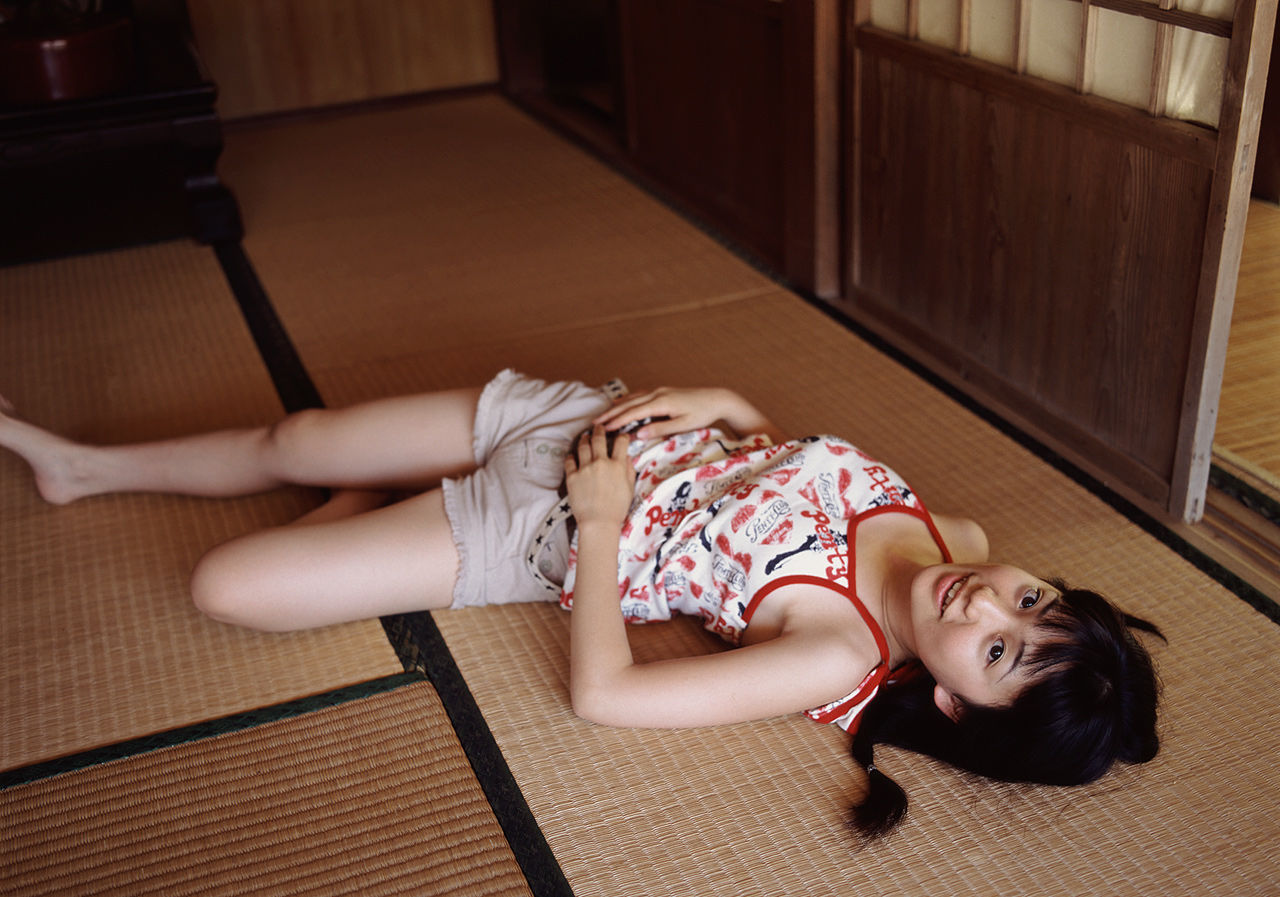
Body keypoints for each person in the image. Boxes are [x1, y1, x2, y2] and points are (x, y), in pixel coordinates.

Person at [0, 370, 1164, 839]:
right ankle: (81, 466)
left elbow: (604, 695)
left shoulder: (830, 656)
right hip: (576, 418)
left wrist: (601, 523)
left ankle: (380, 505)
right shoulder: (955, 536)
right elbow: (780, 462)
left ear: (954, 708)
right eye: (1030, 601)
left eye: (997, 651)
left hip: (541, 526)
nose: (985, 602)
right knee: (291, 436)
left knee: (226, 585)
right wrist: (727, 402)